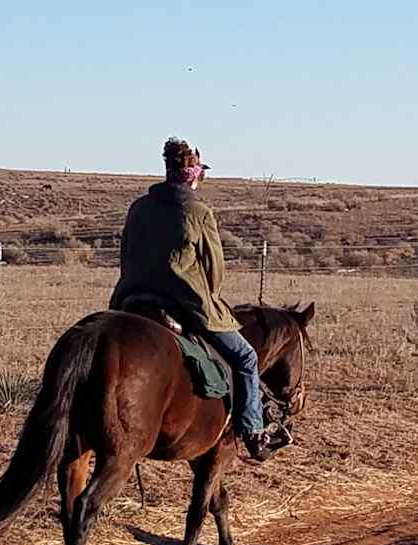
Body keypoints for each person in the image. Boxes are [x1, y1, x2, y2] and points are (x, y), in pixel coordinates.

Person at [109, 137, 290, 462]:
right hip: (184, 306)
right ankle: (254, 432)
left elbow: (125, 255)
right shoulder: (198, 212)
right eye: (200, 171)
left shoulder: (139, 207)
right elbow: (214, 270)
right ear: (193, 174)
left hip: (131, 301)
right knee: (246, 358)